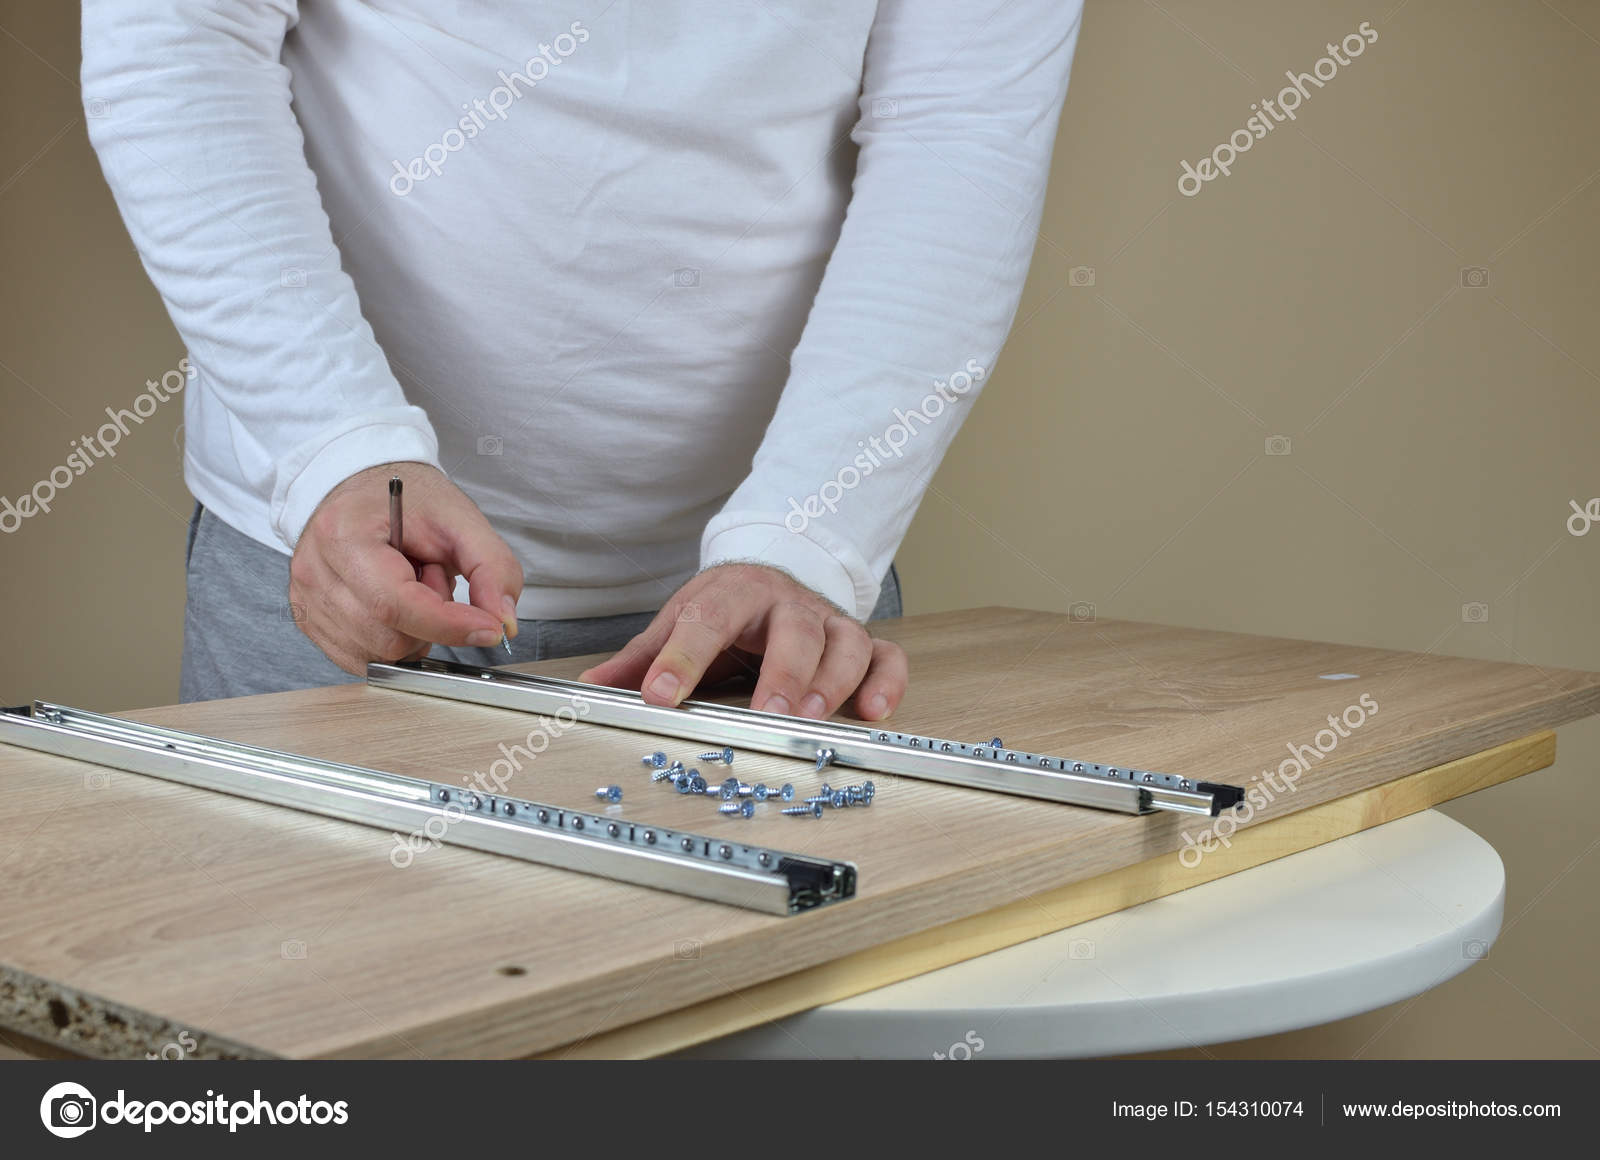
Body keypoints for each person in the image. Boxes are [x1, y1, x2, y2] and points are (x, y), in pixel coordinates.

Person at [82, 0, 1083, 719]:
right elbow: (175, 40)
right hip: (332, 555)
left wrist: (810, 536)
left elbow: (963, 131)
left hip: (775, 604)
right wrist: (334, 445)